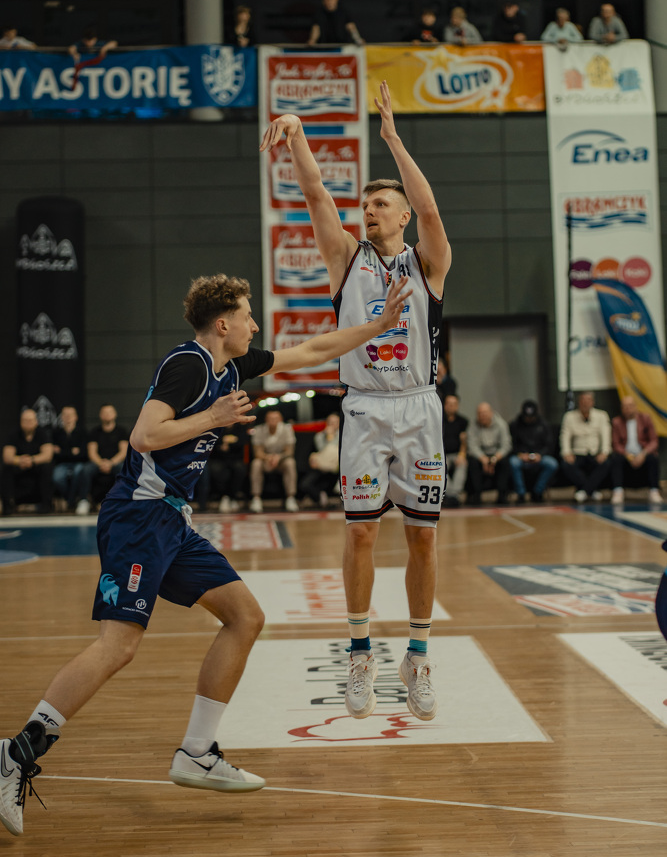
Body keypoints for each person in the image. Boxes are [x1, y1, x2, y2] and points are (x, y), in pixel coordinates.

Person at [0, 270, 410, 837]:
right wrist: (213, 418)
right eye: (247, 315)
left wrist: (380, 325)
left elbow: (312, 350)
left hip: (172, 520)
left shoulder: (233, 367)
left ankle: (196, 752)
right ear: (222, 324)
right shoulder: (188, 364)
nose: (255, 325)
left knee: (245, 617)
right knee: (119, 646)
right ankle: (17, 752)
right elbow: (144, 436)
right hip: (139, 517)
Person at [260, 80, 451, 724]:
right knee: (361, 532)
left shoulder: (429, 262)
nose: (369, 211)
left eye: (381, 204)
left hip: (419, 407)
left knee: (422, 539)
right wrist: (297, 134)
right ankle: (361, 651)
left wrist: (391, 137)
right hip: (366, 408)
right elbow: (316, 194)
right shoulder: (346, 258)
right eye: (365, 204)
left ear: (402, 216)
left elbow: (431, 209)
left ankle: (418, 656)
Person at [559, 391, 612, 502]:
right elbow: (565, 436)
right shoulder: (569, 416)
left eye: (588, 401)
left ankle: (584, 491)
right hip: (578, 453)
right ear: (578, 402)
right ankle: (591, 490)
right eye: (582, 401)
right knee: (566, 464)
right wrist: (566, 453)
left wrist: (604, 452)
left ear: (593, 402)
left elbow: (606, 435)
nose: (585, 403)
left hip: (595, 452)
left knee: (606, 463)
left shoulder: (601, 415)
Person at [1, 409, 53, 517]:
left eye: (30, 420)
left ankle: (46, 505)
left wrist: (32, 460)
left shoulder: (42, 434)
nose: (28, 423)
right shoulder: (13, 434)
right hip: (19, 467)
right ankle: (8, 506)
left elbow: (48, 455)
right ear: (21, 422)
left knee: (46, 467)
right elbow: (7, 456)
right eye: (25, 420)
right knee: (6, 468)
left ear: (36, 422)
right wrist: (19, 460)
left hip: (36, 467)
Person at [610, 396, 661, 505]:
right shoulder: (617, 422)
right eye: (625, 407)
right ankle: (618, 491)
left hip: (642, 454)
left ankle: (654, 491)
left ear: (635, 406)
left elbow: (654, 441)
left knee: (653, 458)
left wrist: (643, 454)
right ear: (621, 408)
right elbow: (616, 444)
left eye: (630, 406)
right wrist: (628, 455)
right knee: (616, 458)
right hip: (626, 455)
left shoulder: (646, 418)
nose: (628, 409)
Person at [249, 409, 298, 513]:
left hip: (281, 460)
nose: (273, 421)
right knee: (256, 463)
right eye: (271, 419)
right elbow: (257, 452)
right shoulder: (259, 430)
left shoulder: (287, 429)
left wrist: (278, 457)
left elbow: (290, 451)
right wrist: (268, 457)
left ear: (280, 419)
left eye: (276, 418)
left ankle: (291, 498)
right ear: (266, 420)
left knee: (290, 463)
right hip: (265, 460)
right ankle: (256, 498)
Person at [509, 400, 558, 503]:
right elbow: (511, 444)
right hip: (521, 456)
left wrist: (540, 455)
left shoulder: (543, 425)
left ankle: (538, 492)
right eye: (527, 417)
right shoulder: (515, 425)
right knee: (513, 462)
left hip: (539, 456)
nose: (529, 419)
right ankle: (521, 494)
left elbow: (549, 445)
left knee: (552, 464)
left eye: (531, 417)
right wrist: (520, 454)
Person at [195, 424, 249, 513]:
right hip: (218, 458)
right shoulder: (217, 427)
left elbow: (242, 441)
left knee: (239, 469)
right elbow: (212, 441)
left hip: (235, 458)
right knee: (217, 469)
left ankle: (232, 497)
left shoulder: (240, 428)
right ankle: (224, 497)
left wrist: (229, 445)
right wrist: (223, 444)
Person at [52, 406, 95, 516]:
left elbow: (83, 454)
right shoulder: (56, 433)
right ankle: (71, 499)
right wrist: (72, 452)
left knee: (79, 472)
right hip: (62, 464)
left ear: (76, 417)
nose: (68, 417)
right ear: (61, 417)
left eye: (70, 415)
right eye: (65, 415)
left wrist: (63, 451)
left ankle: (70, 502)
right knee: (57, 477)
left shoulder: (82, 432)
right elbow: (54, 454)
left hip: (79, 463)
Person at [466, 403, 512, 506]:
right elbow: (472, 446)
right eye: (480, 413)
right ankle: (476, 495)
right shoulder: (473, 425)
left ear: (491, 413)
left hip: (497, 454)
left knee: (505, 462)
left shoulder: (501, 424)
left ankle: (502, 495)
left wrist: (495, 458)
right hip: (480, 455)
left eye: (485, 413)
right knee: (472, 462)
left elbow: (506, 445)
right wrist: (483, 458)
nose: (483, 416)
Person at [87, 406, 129, 506]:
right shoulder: (94, 432)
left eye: (110, 412)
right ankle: (84, 500)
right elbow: (92, 453)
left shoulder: (121, 431)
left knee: (123, 469)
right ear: (100, 415)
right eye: (104, 412)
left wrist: (111, 463)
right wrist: (101, 463)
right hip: (98, 462)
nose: (107, 415)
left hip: (116, 462)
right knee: (85, 470)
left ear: (115, 414)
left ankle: (123, 500)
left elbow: (123, 452)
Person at [300, 412, 340, 508]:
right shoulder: (319, 436)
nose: (332, 424)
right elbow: (323, 451)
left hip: (338, 466)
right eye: (330, 422)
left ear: (339, 423)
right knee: (305, 484)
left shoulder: (343, 435)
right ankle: (320, 497)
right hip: (321, 465)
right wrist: (329, 436)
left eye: (335, 422)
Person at [442, 394, 467, 508]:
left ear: (457, 406)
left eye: (454, 404)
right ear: (444, 405)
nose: (451, 406)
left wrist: (462, 455)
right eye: (449, 404)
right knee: (441, 465)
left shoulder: (463, 421)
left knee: (463, 463)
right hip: (442, 454)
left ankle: (454, 494)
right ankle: (452, 495)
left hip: (457, 453)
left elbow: (464, 441)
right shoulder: (439, 420)